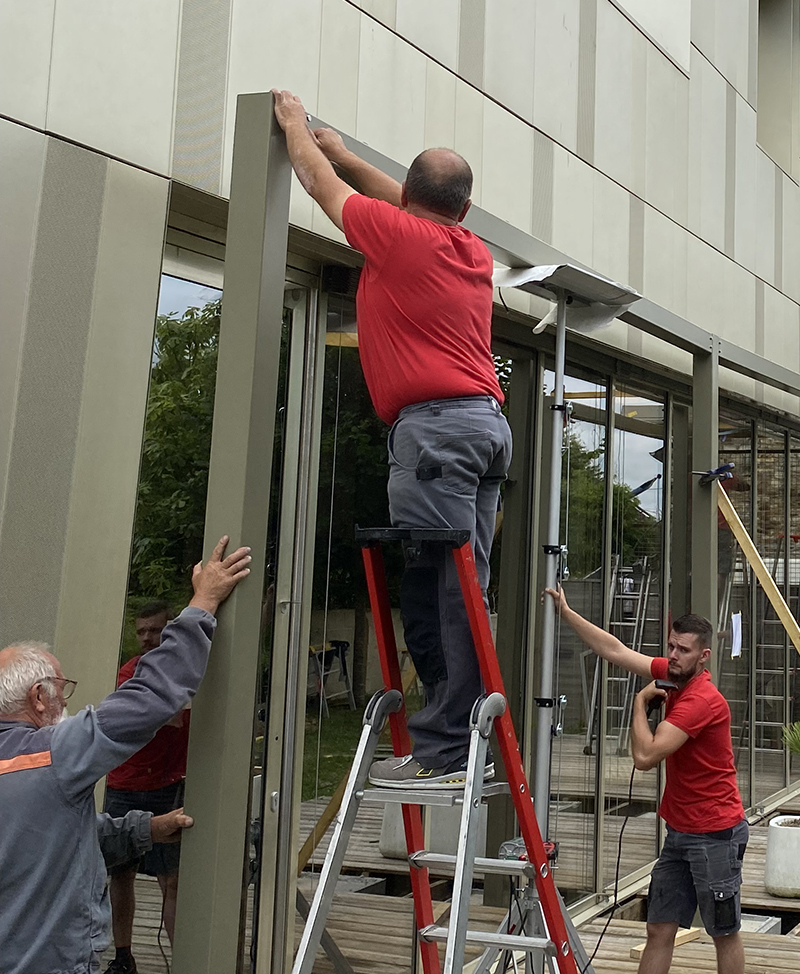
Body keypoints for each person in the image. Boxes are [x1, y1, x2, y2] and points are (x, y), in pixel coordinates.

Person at [272, 90, 512, 788]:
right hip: (483, 428)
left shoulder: (399, 236)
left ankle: (443, 750)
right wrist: (346, 153)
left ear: (410, 196)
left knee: (439, 585)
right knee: (464, 586)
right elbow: (400, 198)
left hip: (437, 434)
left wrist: (297, 129)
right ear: (462, 209)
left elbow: (319, 186)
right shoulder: (471, 246)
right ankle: (464, 736)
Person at [0, 537, 250, 974]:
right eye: (63, 691)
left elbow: (48, 837)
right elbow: (149, 696)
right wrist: (203, 602)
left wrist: (146, 829)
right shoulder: (50, 755)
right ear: (39, 697)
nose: (67, 703)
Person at [545, 586, 747, 974]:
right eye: (671, 646)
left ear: (703, 657)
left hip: (716, 834)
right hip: (680, 831)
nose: (672, 656)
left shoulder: (701, 700)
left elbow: (645, 756)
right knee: (658, 928)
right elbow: (616, 651)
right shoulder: (672, 676)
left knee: (724, 931)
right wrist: (567, 613)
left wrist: (639, 703)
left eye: (683, 650)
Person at [103, 602, 189, 974]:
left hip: (168, 783)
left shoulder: (185, 666)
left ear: (169, 630)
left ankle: (186, 960)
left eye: (154, 630)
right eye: (141, 632)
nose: (147, 638)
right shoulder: (128, 672)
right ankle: (123, 957)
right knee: (120, 874)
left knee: (172, 880)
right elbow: (166, 717)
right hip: (125, 782)